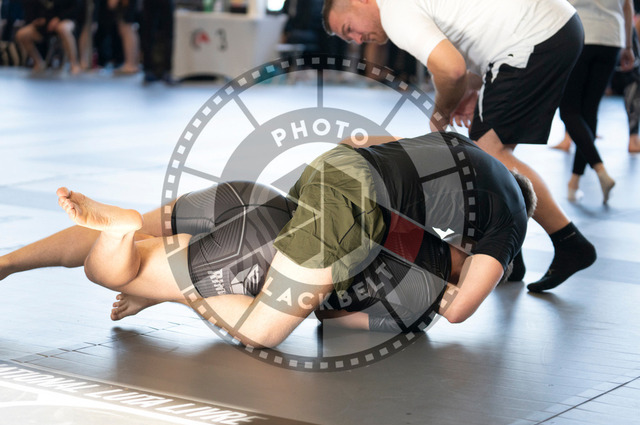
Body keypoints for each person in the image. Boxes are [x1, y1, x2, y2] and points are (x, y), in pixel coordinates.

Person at [0, 132, 535, 345]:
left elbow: (366, 142)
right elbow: (460, 309)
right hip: (302, 229)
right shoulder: (506, 224)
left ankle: (6, 262)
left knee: (144, 228)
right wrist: (445, 298)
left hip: (300, 186)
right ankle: (157, 277)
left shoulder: (469, 157)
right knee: (259, 330)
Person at [321, 0, 597, 292]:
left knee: (490, 154)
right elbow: (473, 36)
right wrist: (472, 87)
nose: (357, 39)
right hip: (549, 27)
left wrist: (440, 114)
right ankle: (512, 255)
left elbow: (451, 70)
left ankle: (569, 242)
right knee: (487, 149)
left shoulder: (393, 11)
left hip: (537, 34)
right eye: (348, 38)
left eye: (349, 29)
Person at [556, 0, 634, 203]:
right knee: (589, 111)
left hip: (579, 34)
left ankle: (600, 169)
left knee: (568, 111)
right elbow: (627, 6)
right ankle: (574, 182)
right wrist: (628, 45)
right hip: (611, 38)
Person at [15, 0, 82, 74]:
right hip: (47, 22)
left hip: (66, 19)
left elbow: (75, 8)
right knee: (22, 34)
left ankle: (74, 64)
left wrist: (59, 18)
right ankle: (38, 62)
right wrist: (40, 19)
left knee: (63, 29)